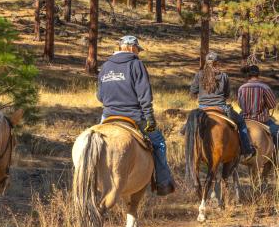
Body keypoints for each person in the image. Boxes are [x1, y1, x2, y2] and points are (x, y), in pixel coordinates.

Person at [96, 35, 175, 195]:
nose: (138, 53)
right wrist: (150, 118)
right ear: (131, 47)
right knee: (159, 143)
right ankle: (163, 183)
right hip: (133, 115)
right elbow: (144, 95)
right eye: (138, 49)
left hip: (108, 115)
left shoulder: (105, 66)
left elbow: (100, 96)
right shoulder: (136, 64)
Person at [190, 52, 256, 160]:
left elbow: (193, 91)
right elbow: (227, 94)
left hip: (202, 108)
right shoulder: (224, 76)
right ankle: (246, 149)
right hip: (221, 107)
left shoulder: (199, 75)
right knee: (241, 122)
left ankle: (185, 136)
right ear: (217, 63)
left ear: (206, 62)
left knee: (188, 126)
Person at [237, 65, 278, 147]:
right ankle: (276, 156)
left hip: (245, 120)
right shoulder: (265, 87)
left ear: (248, 75)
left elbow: (240, 104)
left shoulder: (241, 88)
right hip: (262, 120)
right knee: (277, 132)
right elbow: (273, 104)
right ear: (258, 74)